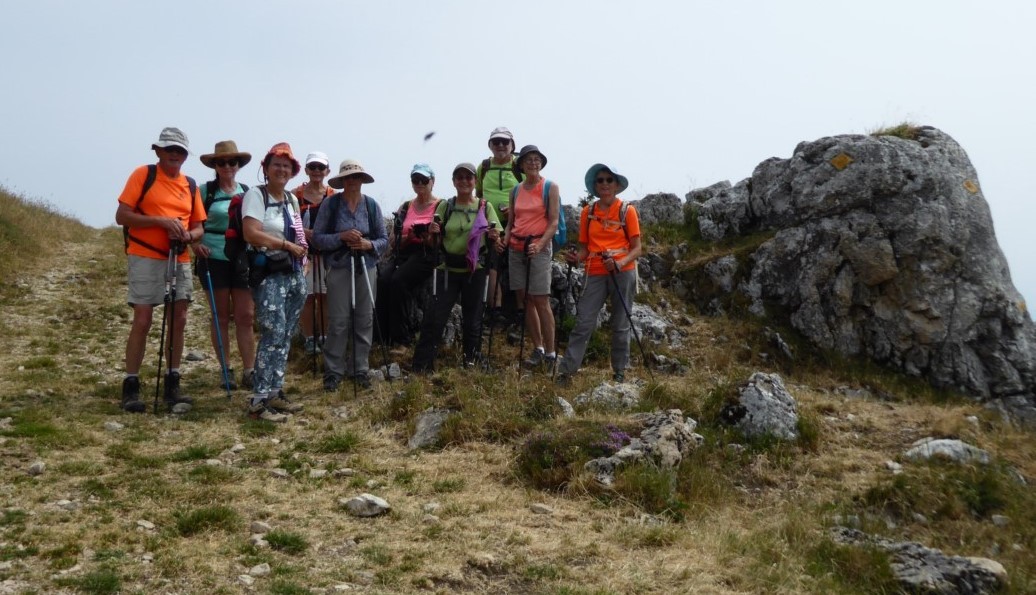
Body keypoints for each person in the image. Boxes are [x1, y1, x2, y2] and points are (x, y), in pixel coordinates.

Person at [115, 127, 205, 413]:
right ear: (158, 151)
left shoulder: (190, 185)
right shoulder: (143, 175)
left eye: (179, 151)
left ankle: (173, 379)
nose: (174, 155)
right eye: (169, 150)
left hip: (178, 257)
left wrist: (187, 236)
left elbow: (198, 227)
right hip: (145, 255)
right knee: (143, 318)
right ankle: (131, 384)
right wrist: (162, 222)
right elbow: (122, 216)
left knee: (179, 317)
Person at [555, 164, 642, 386]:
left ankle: (620, 372)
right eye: (600, 180)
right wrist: (577, 259)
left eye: (608, 180)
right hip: (594, 271)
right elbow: (585, 248)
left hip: (622, 272)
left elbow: (637, 248)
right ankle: (566, 373)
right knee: (583, 322)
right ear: (595, 185)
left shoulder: (627, 211)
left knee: (621, 322)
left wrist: (619, 263)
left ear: (616, 184)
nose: (604, 184)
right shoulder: (588, 212)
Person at [241, 142, 309, 422]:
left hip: (293, 274)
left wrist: (303, 259)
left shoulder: (292, 200)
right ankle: (258, 399)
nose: (282, 170)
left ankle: (275, 392)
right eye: (277, 165)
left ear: (292, 172)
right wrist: (285, 245)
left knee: (285, 334)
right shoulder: (256, 196)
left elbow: (299, 233)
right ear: (266, 169)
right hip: (269, 274)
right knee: (272, 333)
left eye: (287, 166)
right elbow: (251, 233)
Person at [412, 163, 502, 372]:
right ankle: (422, 366)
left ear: (475, 182)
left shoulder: (484, 206)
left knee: (473, 320)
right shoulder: (445, 206)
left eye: (468, 178)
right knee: (435, 318)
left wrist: (494, 236)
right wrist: (433, 233)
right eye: (459, 178)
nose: (464, 181)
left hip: (475, 270)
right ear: (453, 182)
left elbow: (498, 235)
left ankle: (471, 362)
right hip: (448, 269)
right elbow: (434, 243)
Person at [312, 159, 388, 392]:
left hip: (367, 266)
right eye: (348, 177)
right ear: (342, 180)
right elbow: (317, 238)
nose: (352, 181)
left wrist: (367, 244)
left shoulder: (372, 206)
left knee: (364, 319)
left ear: (362, 180)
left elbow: (383, 240)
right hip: (339, 267)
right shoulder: (331, 205)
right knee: (339, 321)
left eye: (356, 176)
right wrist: (341, 237)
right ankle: (333, 371)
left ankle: (359, 369)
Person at [193, 140, 256, 391]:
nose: (227, 166)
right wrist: (195, 244)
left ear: (238, 165)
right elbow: (191, 222)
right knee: (220, 316)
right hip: (213, 258)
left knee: (246, 315)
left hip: (240, 258)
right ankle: (226, 369)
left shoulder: (247, 192)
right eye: (222, 162)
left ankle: (250, 370)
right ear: (215, 166)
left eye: (232, 162)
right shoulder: (204, 191)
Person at [503, 144, 560, 369]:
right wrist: (504, 240)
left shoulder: (550, 187)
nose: (533, 163)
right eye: (528, 160)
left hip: (539, 247)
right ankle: (538, 348)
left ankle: (551, 352)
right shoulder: (515, 190)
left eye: (537, 159)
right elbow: (510, 223)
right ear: (521, 165)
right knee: (524, 299)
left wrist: (540, 244)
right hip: (516, 247)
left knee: (541, 299)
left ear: (541, 163)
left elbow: (553, 222)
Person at [376, 163, 440, 351]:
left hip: (426, 254)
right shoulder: (406, 207)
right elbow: (393, 240)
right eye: (415, 180)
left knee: (398, 281)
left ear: (432, 182)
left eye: (424, 180)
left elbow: (440, 242)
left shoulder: (440, 206)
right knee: (382, 281)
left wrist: (427, 237)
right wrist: (410, 236)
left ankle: (401, 339)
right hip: (404, 252)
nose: (420, 183)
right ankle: (381, 337)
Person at [475, 127, 520, 324]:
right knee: (492, 265)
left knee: (518, 265)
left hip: (518, 224)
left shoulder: (520, 167)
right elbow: (477, 194)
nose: (500, 145)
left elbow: (532, 193)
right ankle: (496, 309)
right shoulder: (483, 166)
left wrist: (516, 210)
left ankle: (521, 311)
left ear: (512, 145)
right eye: (496, 142)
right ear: (490, 145)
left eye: (505, 142)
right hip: (490, 225)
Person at [292, 151, 335, 356]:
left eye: (321, 167)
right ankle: (310, 338)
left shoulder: (333, 196)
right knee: (307, 296)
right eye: (313, 167)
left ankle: (325, 337)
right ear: (307, 170)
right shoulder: (295, 195)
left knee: (325, 296)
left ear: (327, 170)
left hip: (327, 254)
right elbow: (288, 222)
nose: (317, 171)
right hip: (304, 254)